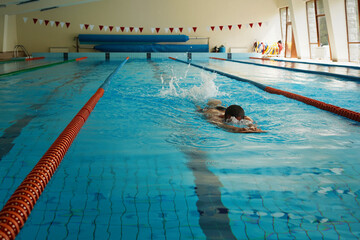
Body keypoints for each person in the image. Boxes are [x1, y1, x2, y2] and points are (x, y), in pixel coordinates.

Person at [197, 99, 265, 133]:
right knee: (211, 102)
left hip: (224, 109)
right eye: (230, 120)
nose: (234, 121)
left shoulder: (246, 118)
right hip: (209, 109)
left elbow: (252, 125)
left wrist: (253, 128)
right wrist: (239, 129)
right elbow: (222, 125)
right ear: (225, 116)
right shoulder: (214, 117)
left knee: (218, 102)